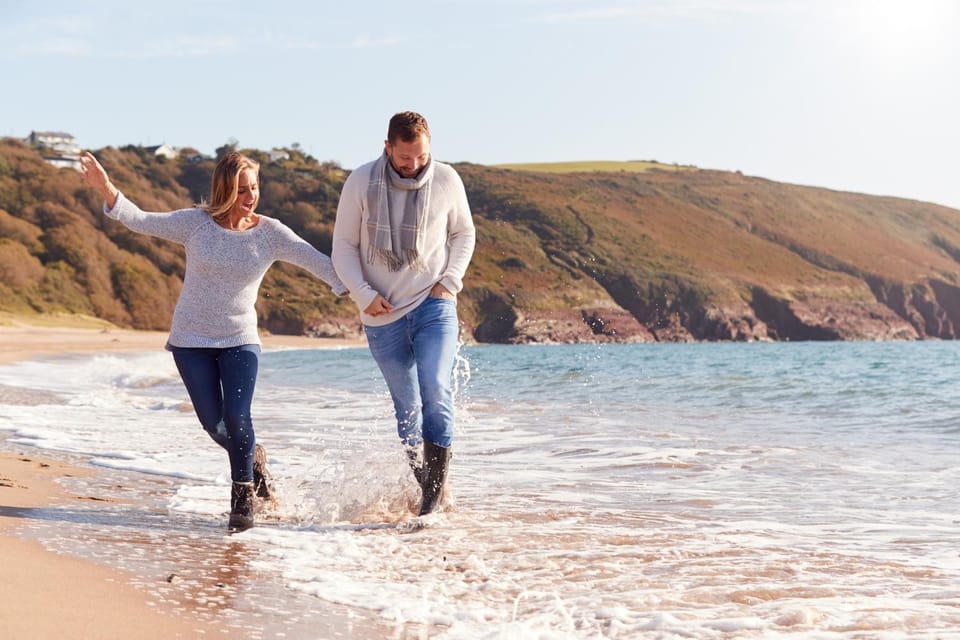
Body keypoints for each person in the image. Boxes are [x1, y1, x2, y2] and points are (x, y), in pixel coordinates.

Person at [79, 150, 347, 531]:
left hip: (240, 338)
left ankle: (242, 503)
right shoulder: (196, 224)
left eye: (254, 187)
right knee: (214, 423)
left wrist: (362, 291)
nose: (250, 196)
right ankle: (254, 460)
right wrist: (104, 186)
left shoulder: (271, 233)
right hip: (191, 339)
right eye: (241, 189)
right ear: (224, 190)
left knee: (238, 417)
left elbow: (318, 261)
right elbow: (139, 220)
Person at [332, 111, 476, 515]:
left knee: (436, 389)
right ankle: (430, 486)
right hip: (382, 315)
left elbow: (464, 232)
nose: (414, 165)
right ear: (388, 147)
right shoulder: (360, 181)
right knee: (407, 411)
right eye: (405, 157)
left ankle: (431, 501)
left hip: (433, 306)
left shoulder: (446, 179)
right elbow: (343, 245)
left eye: (421, 156)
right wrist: (362, 294)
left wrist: (450, 281)